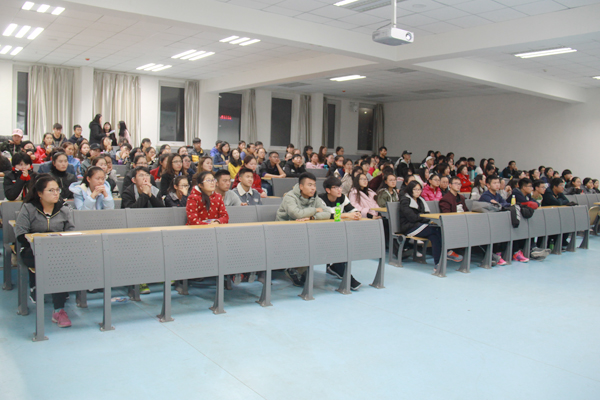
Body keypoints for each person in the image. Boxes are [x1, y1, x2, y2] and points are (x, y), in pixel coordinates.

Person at [15, 174, 75, 327]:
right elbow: (21, 235)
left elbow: (71, 232)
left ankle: (58, 307)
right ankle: (58, 308)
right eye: (51, 190)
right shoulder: (28, 208)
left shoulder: (64, 209)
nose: (56, 193)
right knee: (56, 264)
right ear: (40, 193)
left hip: (58, 252)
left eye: (57, 190)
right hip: (32, 251)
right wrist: (39, 243)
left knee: (59, 262)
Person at [276, 172, 330, 286]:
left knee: (323, 241)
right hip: (284, 231)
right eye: (310, 185)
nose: (313, 188)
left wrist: (312, 217)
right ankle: (295, 268)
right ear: (301, 186)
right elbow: (296, 214)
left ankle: (297, 269)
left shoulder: (315, 197)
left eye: (314, 185)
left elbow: (327, 213)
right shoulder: (290, 197)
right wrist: (315, 210)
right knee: (309, 242)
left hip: (303, 231)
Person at [318, 176, 362, 290]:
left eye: (340, 187)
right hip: (322, 233)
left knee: (347, 242)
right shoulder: (320, 199)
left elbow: (352, 209)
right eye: (336, 187)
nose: (339, 190)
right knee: (341, 244)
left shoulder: (342, 197)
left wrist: (357, 213)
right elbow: (327, 215)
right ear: (328, 190)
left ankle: (338, 267)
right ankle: (342, 271)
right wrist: (346, 215)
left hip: (338, 232)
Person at [398, 181, 448, 271]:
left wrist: (423, 218)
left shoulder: (420, 200)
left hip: (420, 225)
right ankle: (447, 252)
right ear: (410, 190)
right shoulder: (405, 200)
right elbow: (412, 218)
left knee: (434, 235)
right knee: (435, 230)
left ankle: (438, 263)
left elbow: (425, 215)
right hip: (409, 228)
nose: (418, 192)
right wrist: (423, 218)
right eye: (415, 189)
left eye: (419, 189)